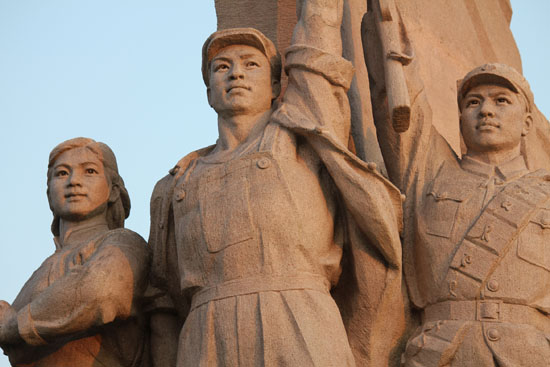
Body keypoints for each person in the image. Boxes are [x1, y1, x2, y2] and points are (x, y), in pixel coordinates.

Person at [147, 0, 404, 366]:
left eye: (251, 65)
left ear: (273, 86)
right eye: (222, 67)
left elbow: (317, 37)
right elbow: (163, 299)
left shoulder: (300, 142)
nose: (236, 74)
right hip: (205, 333)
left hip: (298, 317)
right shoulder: (176, 185)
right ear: (208, 92)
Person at [370, 60, 550, 365]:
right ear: (461, 117)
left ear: (527, 124)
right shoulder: (431, 176)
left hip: (528, 354)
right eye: (473, 102)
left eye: (501, 100)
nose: (486, 111)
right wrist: (392, 44)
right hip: (440, 353)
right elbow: (399, 101)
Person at [0, 137, 150, 367]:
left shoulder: (122, 243)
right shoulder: (40, 271)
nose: (73, 182)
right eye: (61, 173)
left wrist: (16, 325)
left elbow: (100, 291)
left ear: (113, 190)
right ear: (49, 194)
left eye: (89, 171)